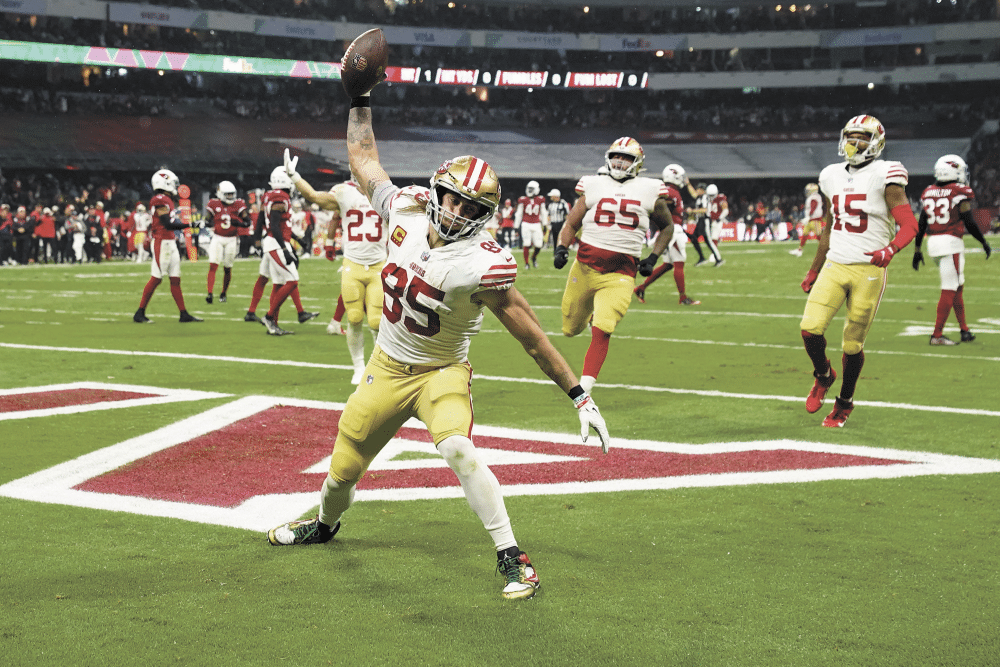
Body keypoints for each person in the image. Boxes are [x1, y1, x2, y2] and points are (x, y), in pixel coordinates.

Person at [267, 86, 610, 603]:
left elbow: (532, 337)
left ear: (484, 214)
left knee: (457, 447)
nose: (454, 211)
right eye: (451, 198)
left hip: (441, 371)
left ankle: (512, 556)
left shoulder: (484, 263)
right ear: (436, 191)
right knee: (341, 473)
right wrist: (360, 96)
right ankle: (324, 524)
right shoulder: (404, 210)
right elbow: (363, 158)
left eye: (469, 206)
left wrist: (578, 395)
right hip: (387, 367)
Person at [799, 115, 918, 428]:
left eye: (862, 137)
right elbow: (828, 228)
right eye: (850, 136)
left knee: (852, 345)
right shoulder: (830, 175)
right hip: (835, 264)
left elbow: (910, 224)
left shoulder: (886, 173)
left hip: (869, 269)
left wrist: (890, 249)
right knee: (810, 329)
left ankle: (844, 402)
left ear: (876, 142)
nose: (854, 142)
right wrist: (813, 270)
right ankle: (824, 374)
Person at [553, 136, 675, 393]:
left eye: (626, 157)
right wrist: (562, 247)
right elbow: (572, 223)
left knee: (604, 328)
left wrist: (653, 257)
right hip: (584, 269)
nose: (620, 161)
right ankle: (590, 317)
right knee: (570, 329)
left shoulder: (651, 189)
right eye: (616, 156)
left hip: (621, 274)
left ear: (637, 162)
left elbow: (667, 227)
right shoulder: (593, 184)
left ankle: (585, 390)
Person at [284, 154, 387, 383]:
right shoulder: (344, 192)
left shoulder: (386, 195)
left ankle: (377, 368)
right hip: (353, 264)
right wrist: (294, 176)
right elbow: (314, 196)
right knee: (354, 317)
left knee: (377, 321)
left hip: (379, 265)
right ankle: (358, 368)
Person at [912, 154, 992, 345]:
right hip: (950, 243)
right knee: (950, 288)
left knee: (957, 286)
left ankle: (964, 330)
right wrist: (983, 242)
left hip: (933, 242)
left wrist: (917, 249)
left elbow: (922, 222)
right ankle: (937, 335)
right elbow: (968, 220)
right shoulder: (959, 191)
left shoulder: (929, 191)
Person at [244, 167, 319, 335]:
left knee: (278, 284)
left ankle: (274, 325)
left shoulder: (269, 195)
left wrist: (297, 240)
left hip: (274, 242)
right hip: (276, 244)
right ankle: (269, 317)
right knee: (292, 281)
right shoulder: (280, 197)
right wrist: (285, 248)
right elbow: (274, 226)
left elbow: (277, 224)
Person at [133, 169, 204, 324]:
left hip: (170, 241)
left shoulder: (167, 199)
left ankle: (183, 314)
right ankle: (140, 312)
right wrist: (189, 224)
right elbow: (167, 223)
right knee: (157, 278)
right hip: (162, 241)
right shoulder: (159, 199)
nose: (175, 186)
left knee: (175, 279)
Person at [633, 164, 701, 306]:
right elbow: (658, 207)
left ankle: (641, 288)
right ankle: (683, 298)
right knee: (679, 263)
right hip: (673, 231)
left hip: (672, 229)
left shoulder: (671, 190)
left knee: (668, 265)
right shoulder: (669, 191)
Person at [204, 180, 252, 304]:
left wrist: (239, 223)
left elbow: (247, 222)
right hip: (217, 237)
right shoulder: (213, 203)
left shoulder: (238, 204)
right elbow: (207, 220)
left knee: (227, 268)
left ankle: (223, 293)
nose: (230, 197)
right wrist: (209, 223)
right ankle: (210, 293)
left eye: (232, 194)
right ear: (220, 194)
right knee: (213, 265)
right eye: (228, 194)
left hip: (232, 239)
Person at [515, 180, 548, 269]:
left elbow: (544, 213)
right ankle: (527, 263)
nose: (530, 191)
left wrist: (545, 224)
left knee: (539, 245)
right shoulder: (523, 200)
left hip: (536, 224)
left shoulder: (540, 199)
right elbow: (519, 214)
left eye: (532, 189)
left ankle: (533, 257)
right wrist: (516, 226)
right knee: (527, 243)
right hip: (526, 223)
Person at [790, 183, 824, 256]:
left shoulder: (814, 197)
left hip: (815, 219)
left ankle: (826, 250)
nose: (807, 192)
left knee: (819, 236)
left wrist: (809, 216)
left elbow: (813, 207)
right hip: (811, 219)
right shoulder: (813, 197)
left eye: (808, 190)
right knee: (805, 234)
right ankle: (799, 250)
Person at [706, 184, 729, 256]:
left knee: (714, 237)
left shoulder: (720, 198)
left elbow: (726, 210)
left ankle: (714, 255)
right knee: (710, 238)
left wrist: (720, 218)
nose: (711, 197)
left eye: (712, 195)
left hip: (717, 221)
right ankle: (714, 253)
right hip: (710, 220)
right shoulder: (707, 199)